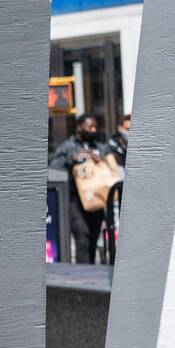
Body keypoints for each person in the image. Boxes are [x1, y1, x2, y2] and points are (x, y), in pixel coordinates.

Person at [49, 112, 111, 264]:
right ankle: (83, 273)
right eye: (90, 126)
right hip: (75, 199)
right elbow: (54, 167)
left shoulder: (99, 145)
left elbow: (110, 160)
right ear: (79, 127)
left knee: (94, 237)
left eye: (95, 127)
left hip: (95, 198)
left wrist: (100, 158)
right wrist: (73, 158)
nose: (93, 130)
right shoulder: (68, 146)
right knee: (82, 235)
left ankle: (91, 269)